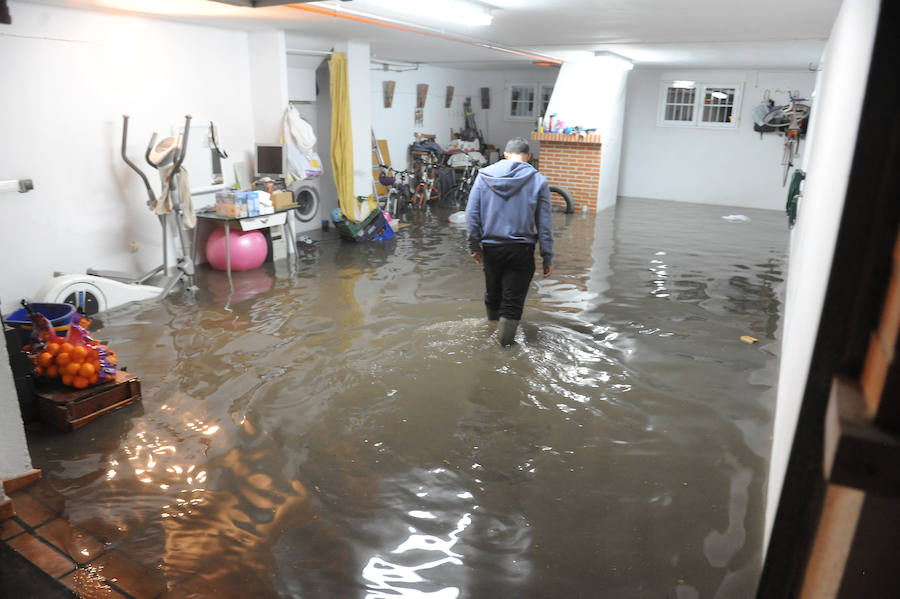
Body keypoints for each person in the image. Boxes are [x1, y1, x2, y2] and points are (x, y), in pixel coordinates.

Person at [466, 137, 554, 346]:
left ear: (505, 155)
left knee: (493, 296)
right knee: (512, 304)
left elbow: (471, 215)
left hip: (491, 248)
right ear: (528, 157)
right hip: (521, 250)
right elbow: (545, 224)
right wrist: (547, 256)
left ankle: (490, 337)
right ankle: (504, 351)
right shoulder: (538, 180)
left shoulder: (483, 176)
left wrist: (474, 246)